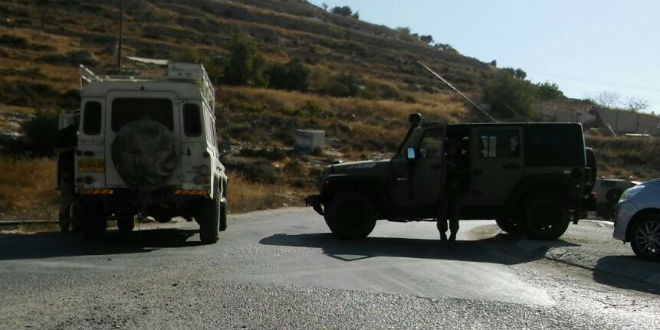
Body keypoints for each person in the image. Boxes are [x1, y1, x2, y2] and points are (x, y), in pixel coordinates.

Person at [437, 138, 469, 242]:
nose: (452, 150)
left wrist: (454, 169)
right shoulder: (443, 160)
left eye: (454, 148)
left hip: (456, 190)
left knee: (454, 215)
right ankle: (442, 234)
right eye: (450, 148)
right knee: (443, 214)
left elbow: (464, 175)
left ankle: (453, 235)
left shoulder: (461, 161)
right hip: (445, 191)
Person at [54, 116, 79, 233]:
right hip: (68, 171)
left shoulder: (85, 132)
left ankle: (76, 224)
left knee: (78, 201)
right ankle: (64, 225)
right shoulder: (65, 133)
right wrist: (73, 148)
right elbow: (58, 149)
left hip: (80, 171)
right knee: (66, 200)